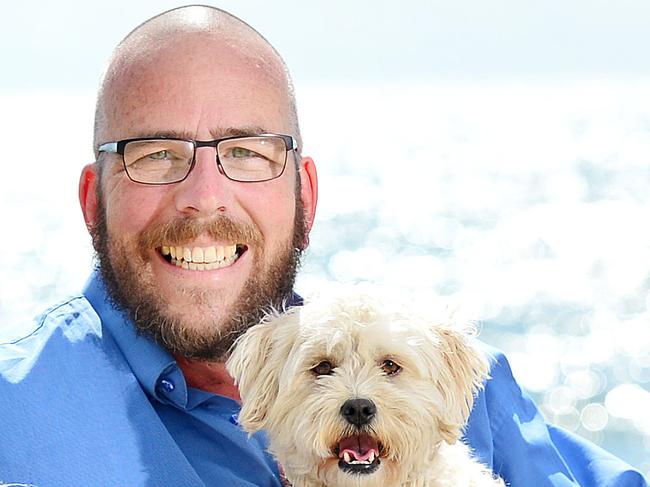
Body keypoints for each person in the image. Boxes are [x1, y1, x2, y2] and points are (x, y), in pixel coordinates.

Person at [0, 5, 646, 486]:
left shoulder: (470, 389)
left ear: (304, 195)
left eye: (247, 153)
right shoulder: (15, 414)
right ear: (93, 202)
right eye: (155, 154)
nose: (204, 196)